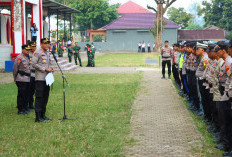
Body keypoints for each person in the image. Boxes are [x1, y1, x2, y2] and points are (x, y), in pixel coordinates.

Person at [32, 38, 54, 122]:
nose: (47, 45)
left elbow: (48, 64)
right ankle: (38, 117)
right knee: (39, 97)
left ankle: (43, 115)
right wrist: (44, 69)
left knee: (45, 97)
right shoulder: (37, 52)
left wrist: (51, 69)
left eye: (48, 43)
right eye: (45, 43)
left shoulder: (47, 53)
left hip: (47, 78)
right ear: (41, 44)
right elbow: (33, 64)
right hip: (40, 78)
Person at [13, 45, 31, 115]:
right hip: (21, 79)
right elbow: (15, 69)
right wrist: (15, 78)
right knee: (21, 95)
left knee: (26, 94)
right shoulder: (19, 58)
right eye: (26, 50)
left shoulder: (26, 57)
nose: (28, 51)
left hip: (27, 79)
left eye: (29, 50)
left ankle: (24, 108)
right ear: (22, 50)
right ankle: (20, 109)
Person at [28, 41, 37, 110]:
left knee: (33, 90)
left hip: (35, 75)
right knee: (29, 90)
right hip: (29, 75)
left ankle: (31, 104)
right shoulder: (27, 55)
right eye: (32, 46)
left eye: (35, 46)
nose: (34, 47)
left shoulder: (36, 54)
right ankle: (28, 104)